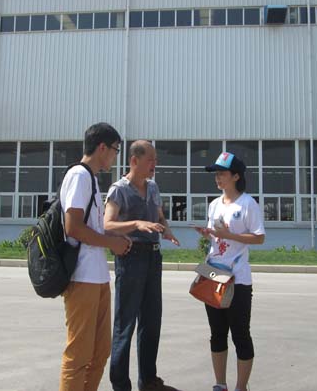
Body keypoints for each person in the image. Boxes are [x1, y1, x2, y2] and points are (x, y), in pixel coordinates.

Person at [59, 122, 132, 391]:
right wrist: (112, 243)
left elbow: (91, 227)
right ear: (102, 147)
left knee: (100, 352)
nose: (115, 156)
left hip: (97, 277)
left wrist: (114, 238)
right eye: (115, 150)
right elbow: (73, 227)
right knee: (79, 354)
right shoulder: (79, 176)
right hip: (82, 277)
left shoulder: (91, 179)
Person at [104, 140, 180, 391]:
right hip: (131, 257)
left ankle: (148, 380)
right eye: (150, 160)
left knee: (151, 321)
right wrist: (136, 224)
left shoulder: (153, 187)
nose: (154, 165)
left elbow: (159, 217)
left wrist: (166, 231)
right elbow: (107, 224)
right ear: (134, 161)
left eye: (156, 160)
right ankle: (120, 384)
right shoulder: (119, 190)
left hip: (153, 258)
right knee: (125, 323)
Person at [192, 152, 265, 391]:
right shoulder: (214, 204)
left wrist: (229, 235)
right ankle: (220, 384)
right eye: (216, 173)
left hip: (238, 280)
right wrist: (208, 234)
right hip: (214, 275)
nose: (217, 177)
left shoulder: (247, 204)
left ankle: (240, 387)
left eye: (222, 173)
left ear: (236, 176)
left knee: (240, 335)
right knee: (217, 334)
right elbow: (217, 236)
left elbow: (259, 237)